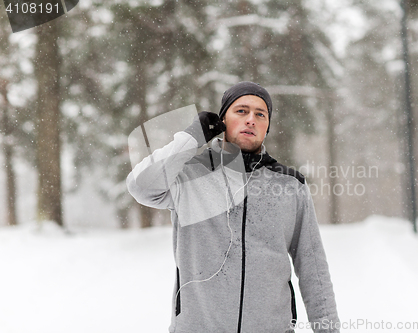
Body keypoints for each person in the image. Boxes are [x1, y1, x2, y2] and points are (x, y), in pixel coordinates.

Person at [127, 82, 340, 333]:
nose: (251, 119)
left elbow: (312, 266)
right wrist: (190, 138)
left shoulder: (289, 184)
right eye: (241, 111)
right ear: (222, 120)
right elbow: (141, 187)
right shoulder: (190, 173)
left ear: (267, 127)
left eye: (260, 114)